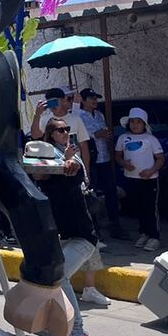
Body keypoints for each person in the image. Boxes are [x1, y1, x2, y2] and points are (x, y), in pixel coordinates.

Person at [33, 118, 99, 336]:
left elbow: (72, 167)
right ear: (50, 135)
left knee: (59, 275)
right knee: (44, 278)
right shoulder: (46, 167)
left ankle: (79, 335)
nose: (66, 133)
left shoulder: (71, 161)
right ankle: (58, 322)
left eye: (67, 129)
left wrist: (70, 160)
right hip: (62, 237)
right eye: (61, 130)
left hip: (83, 238)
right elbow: (38, 171)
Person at [76, 88, 126, 240]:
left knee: (111, 192)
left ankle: (115, 225)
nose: (95, 101)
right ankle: (94, 228)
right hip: (91, 159)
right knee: (90, 193)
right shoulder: (78, 116)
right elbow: (82, 137)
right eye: (91, 98)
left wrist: (106, 135)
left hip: (104, 157)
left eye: (95, 98)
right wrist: (97, 134)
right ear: (83, 100)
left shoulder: (99, 115)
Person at [114, 107, 165, 252]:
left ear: (144, 124)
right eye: (132, 122)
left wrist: (151, 171)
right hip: (131, 178)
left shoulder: (151, 139)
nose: (135, 125)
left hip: (149, 179)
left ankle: (154, 236)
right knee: (139, 207)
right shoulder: (123, 138)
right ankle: (144, 233)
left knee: (150, 207)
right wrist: (124, 163)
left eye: (138, 122)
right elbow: (118, 156)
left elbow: (160, 158)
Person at [31, 87, 92, 176]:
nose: (53, 106)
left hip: (74, 167)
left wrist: (87, 171)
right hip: (54, 168)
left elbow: (84, 146)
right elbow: (35, 135)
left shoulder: (76, 119)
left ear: (63, 100)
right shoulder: (45, 120)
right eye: (50, 103)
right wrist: (37, 115)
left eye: (55, 102)